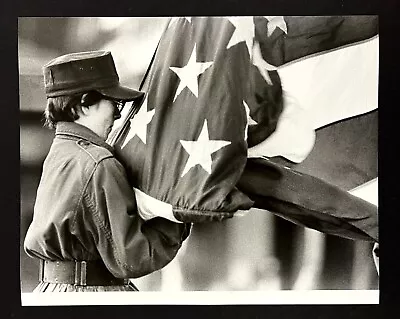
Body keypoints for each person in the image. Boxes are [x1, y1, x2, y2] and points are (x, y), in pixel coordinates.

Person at [23, 51, 191, 292]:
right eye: (114, 102)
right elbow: (132, 259)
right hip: (92, 294)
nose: (119, 113)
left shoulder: (62, 150)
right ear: (84, 104)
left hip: (51, 290)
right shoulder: (98, 162)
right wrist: (178, 212)